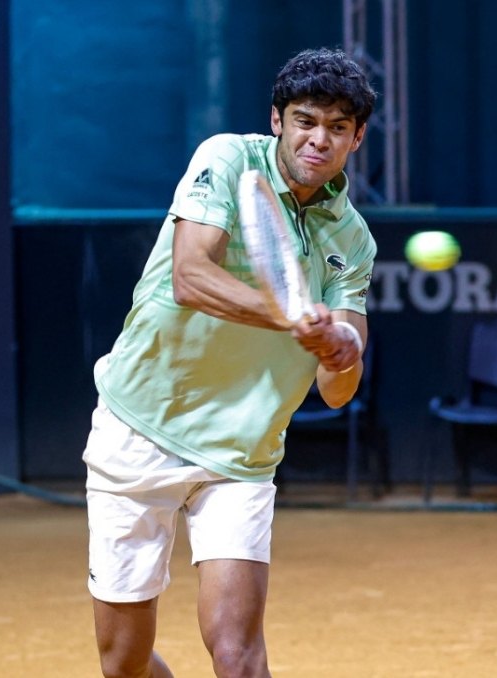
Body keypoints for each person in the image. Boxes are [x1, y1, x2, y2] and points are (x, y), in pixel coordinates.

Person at [83, 47, 377, 678]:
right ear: (277, 120)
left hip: (241, 454)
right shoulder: (227, 158)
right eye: (305, 120)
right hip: (138, 428)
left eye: (337, 128)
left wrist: (343, 351)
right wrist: (292, 316)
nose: (318, 139)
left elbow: (335, 390)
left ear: (356, 139)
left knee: (238, 654)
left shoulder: (352, 240)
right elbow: (191, 275)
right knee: (122, 663)